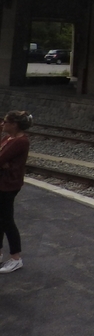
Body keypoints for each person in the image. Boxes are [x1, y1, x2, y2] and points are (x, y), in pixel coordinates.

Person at [0, 110, 32, 273]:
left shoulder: (20, 142)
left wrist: (4, 164)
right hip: (3, 183)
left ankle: (16, 258)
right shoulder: (9, 138)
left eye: (5, 122)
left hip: (8, 185)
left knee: (7, 220)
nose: (2, 124)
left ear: (14, 124)